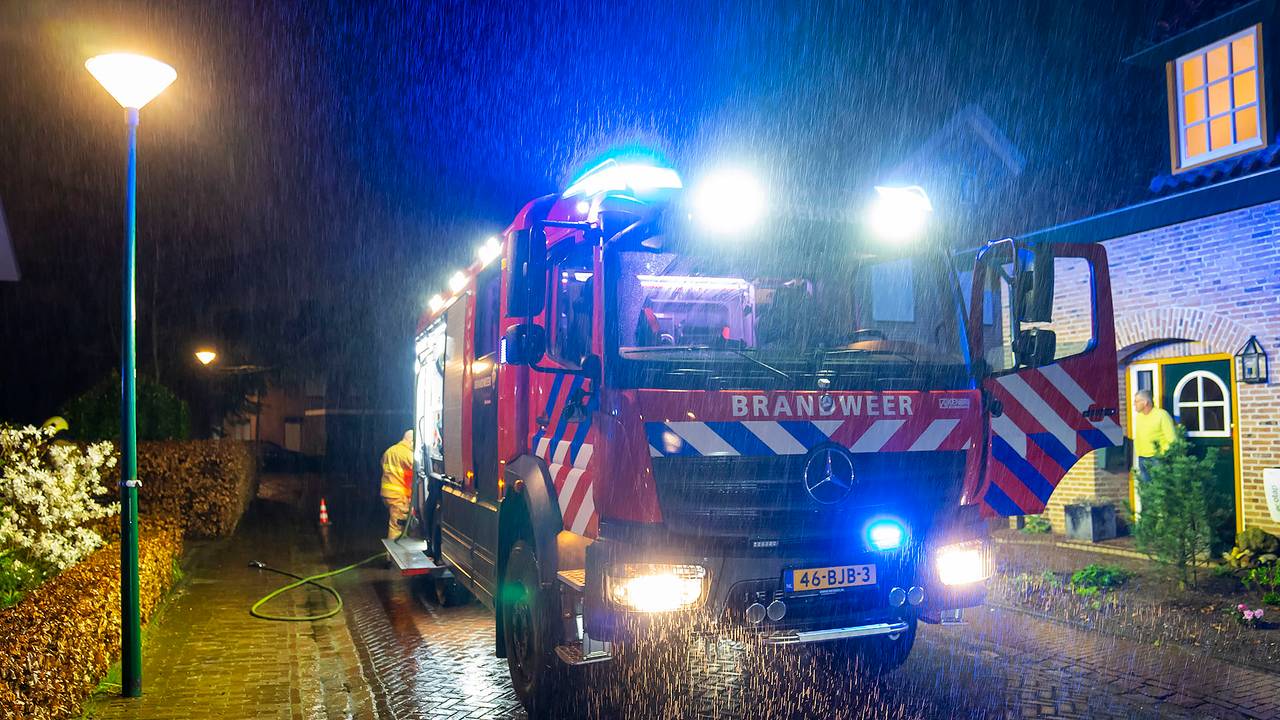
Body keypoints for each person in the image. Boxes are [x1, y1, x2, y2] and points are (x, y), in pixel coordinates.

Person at [1131, 390, 1175, 483]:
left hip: (1157, 459)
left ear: (1145, 402)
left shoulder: (1162, 415)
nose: (1134, 404)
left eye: (1136, 401)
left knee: (1159, 487)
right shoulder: (1139, 417)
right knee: (1146, 489)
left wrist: (1162, 454)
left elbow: (1172, 439)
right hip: (1142, 458)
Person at [380, 430, 415, 539]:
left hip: (387, 494)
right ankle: (392, 554)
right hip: (399, 497)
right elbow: (417, 469)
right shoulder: (407, 454)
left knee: (396, 523)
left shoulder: (389, 451)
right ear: (412, 441)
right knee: (397, 528)